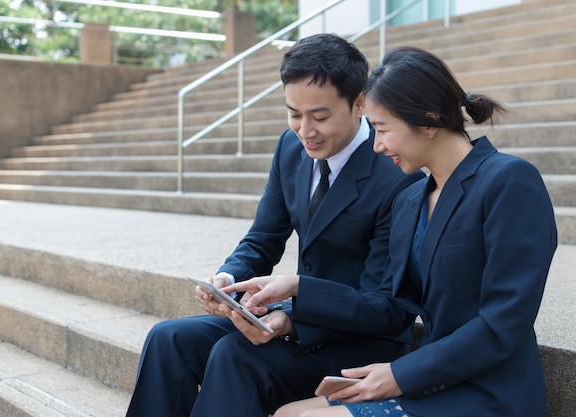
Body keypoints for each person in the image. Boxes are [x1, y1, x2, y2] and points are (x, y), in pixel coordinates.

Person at [244, 46, 558, 417]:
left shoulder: (508, 181)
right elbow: (393, 305)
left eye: (382, 129)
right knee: (287, 413)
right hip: (427, 379)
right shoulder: (410, 199)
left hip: (489, 389)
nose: (376, 146)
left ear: (427, 121)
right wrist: (295, 292)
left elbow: (503, 322)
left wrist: (400, 375)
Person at [124, 34, 424, 417]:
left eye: (320, 116)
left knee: (235, 355)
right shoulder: (289, 148)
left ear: (360, 102)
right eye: (294, 114)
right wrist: (227, 279)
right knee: (169, 338)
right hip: (293, 318)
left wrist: (292, 320)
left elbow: (386, 308)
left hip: (358, 344)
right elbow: (263, 238)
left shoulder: (397, 176)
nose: (305, 131)